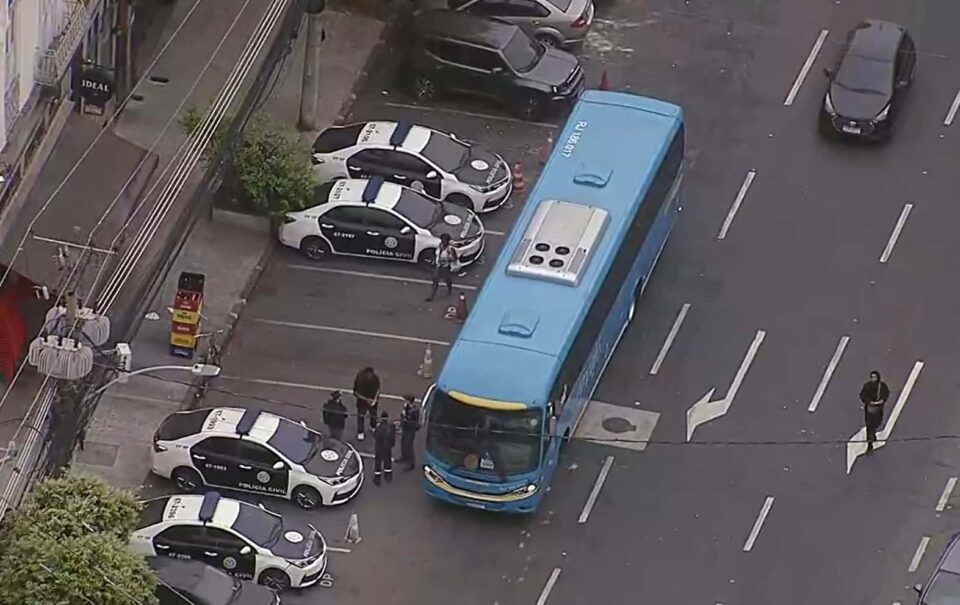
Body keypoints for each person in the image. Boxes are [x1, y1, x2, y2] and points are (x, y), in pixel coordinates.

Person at [859, 370, 890, 451]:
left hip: (878, 409)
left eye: (875, 377)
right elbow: (862, 395)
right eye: (872, 377)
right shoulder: (867, 386)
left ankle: (873, 433)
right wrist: (869, 402)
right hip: (869, 409)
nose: (873, 379)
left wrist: (882, 400)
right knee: (869, 425)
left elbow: (886, 393)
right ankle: (869, 443)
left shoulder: (882, 386)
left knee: (877, 423)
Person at [425, 234, 460, 302]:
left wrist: (447, 259)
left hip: (445, 268)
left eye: (445, 241)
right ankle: (431, 296)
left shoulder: (450, 249)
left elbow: (454, 258)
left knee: (447, 280)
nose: (444, 242)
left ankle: (449, 289)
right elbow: (437, 254)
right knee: (435, 281)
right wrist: (435, 260)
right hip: (438, 267)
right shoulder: (439, 245)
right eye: (443, 240)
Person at [352, 367, 380, 441]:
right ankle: (371, 427)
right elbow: (378, 390)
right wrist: (373, 400)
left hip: (363, 401)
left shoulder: (360, 377)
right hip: (369, 401)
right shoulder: (375, 378)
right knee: (371, 414)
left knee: (362, 416)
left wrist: (370, 399)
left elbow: (355, 392)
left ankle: (362, 431)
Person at [398, 395, 421, 471]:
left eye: (406, 400)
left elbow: (415, 423)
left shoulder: (415, 411)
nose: (405, 402)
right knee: (403, 443)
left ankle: (411, 464)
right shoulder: (406, 408)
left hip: (410, 430)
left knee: (409, 446)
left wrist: (406, 418)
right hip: (405, 428)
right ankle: (404, 457)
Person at [373, 412, 396, 485]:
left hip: (379, 447)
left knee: (378, 462)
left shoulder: (378, 426)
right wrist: (392, 444)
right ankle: (388, 476)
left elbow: (375, 435)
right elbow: (393, 437)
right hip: (387, 447)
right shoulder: (391, 427)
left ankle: (377, 478)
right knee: (387, 461)